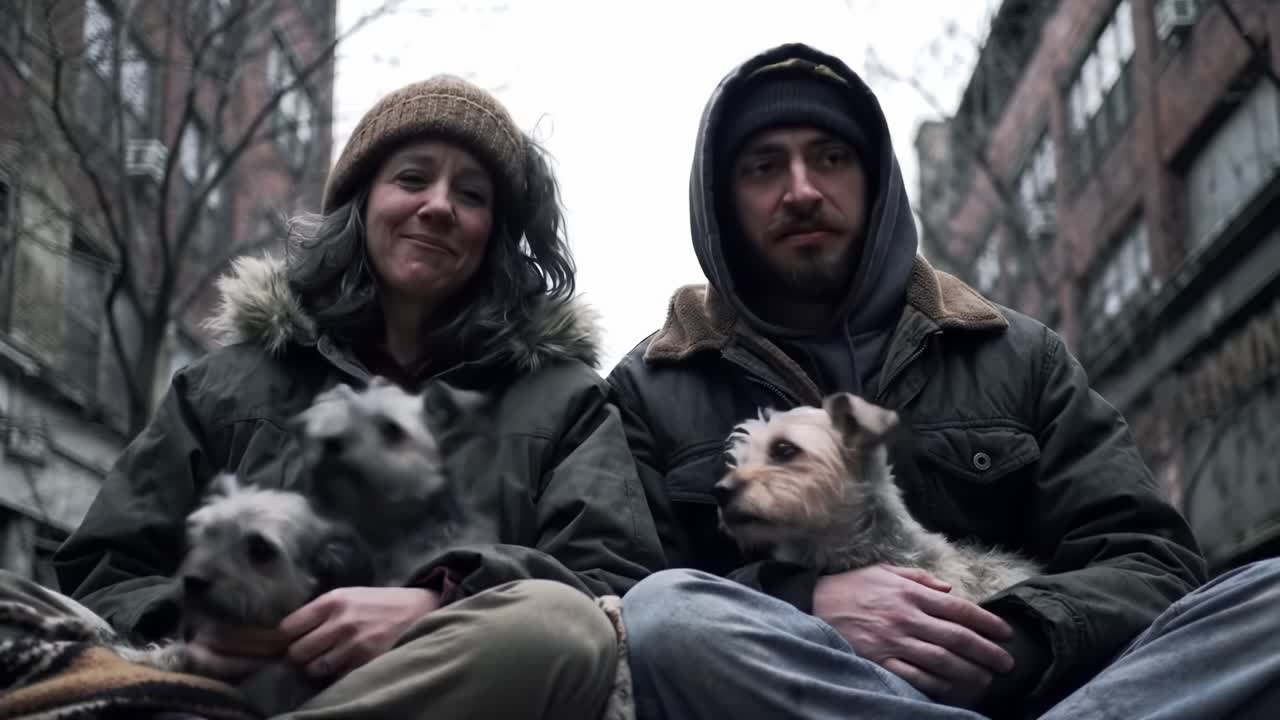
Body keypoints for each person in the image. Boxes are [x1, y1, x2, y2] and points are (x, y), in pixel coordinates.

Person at [606, 42, 1280, 720]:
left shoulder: (1017, 353)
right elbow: (615, 607)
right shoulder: (653, 386)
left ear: (876, 182)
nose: (803, 190)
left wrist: (1004, 642)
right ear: (723, 202)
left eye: (831, 158)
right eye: (764, 166)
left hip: (1043, 699)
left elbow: (1152, 564)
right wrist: (803, 604)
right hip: (793, 697)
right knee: (659, 616)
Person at [2, 74, 662, 720]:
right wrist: (198, 621)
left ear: (494, 232)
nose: (439, 205)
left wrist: (441, 601)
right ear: (361, 201)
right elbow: (104, 567)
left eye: (471, 194)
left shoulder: (565, 399)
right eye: (412, 178)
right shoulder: (226, 384)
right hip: (223, 690)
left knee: (564, 625)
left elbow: (611, 584)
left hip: (456, 686)